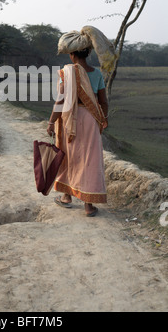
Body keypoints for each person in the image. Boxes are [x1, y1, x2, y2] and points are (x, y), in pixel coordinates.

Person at [47, 26, 116, 217]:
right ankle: (88, 205)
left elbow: (60, 101)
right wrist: (104, 120)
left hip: (69, 119)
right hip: (91, 119)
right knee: (90, 160)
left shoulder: (66, 73)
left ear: (71, 55)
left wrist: (52, 122)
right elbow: (103, 101)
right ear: (87, 53)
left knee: (67, 156)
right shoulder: (97, 74)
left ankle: (67, 197)